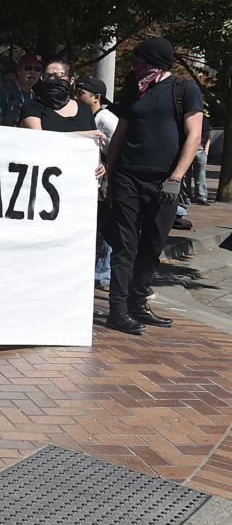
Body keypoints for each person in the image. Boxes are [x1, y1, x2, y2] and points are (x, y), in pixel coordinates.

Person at [102, 36, 203, 335]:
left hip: (164, 181)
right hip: (128, 177)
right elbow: (121, 132)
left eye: (140, 60)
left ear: (155, 62)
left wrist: (176, 178)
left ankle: (138, 302)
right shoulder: (135, 88)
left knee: (153, 244)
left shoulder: (185, 89)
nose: (135, 66)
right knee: (125, 245)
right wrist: (110, 170)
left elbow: (194, 136)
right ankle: (117, 310)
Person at [75, 76, 120, 291]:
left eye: (80, 93)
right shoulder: (84, 116)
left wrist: (108, 167)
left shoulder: (106, 119)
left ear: (96, 98)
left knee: (104, 227)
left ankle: (105, 273)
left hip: (106, 188)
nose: (76, 96)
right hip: (94, 186)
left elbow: (120, 148)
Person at [0, 54, 42, 125]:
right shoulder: (3, 94)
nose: (33, 72)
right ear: (18, 71)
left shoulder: (35, 98)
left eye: (37, 69)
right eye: (28, 68)